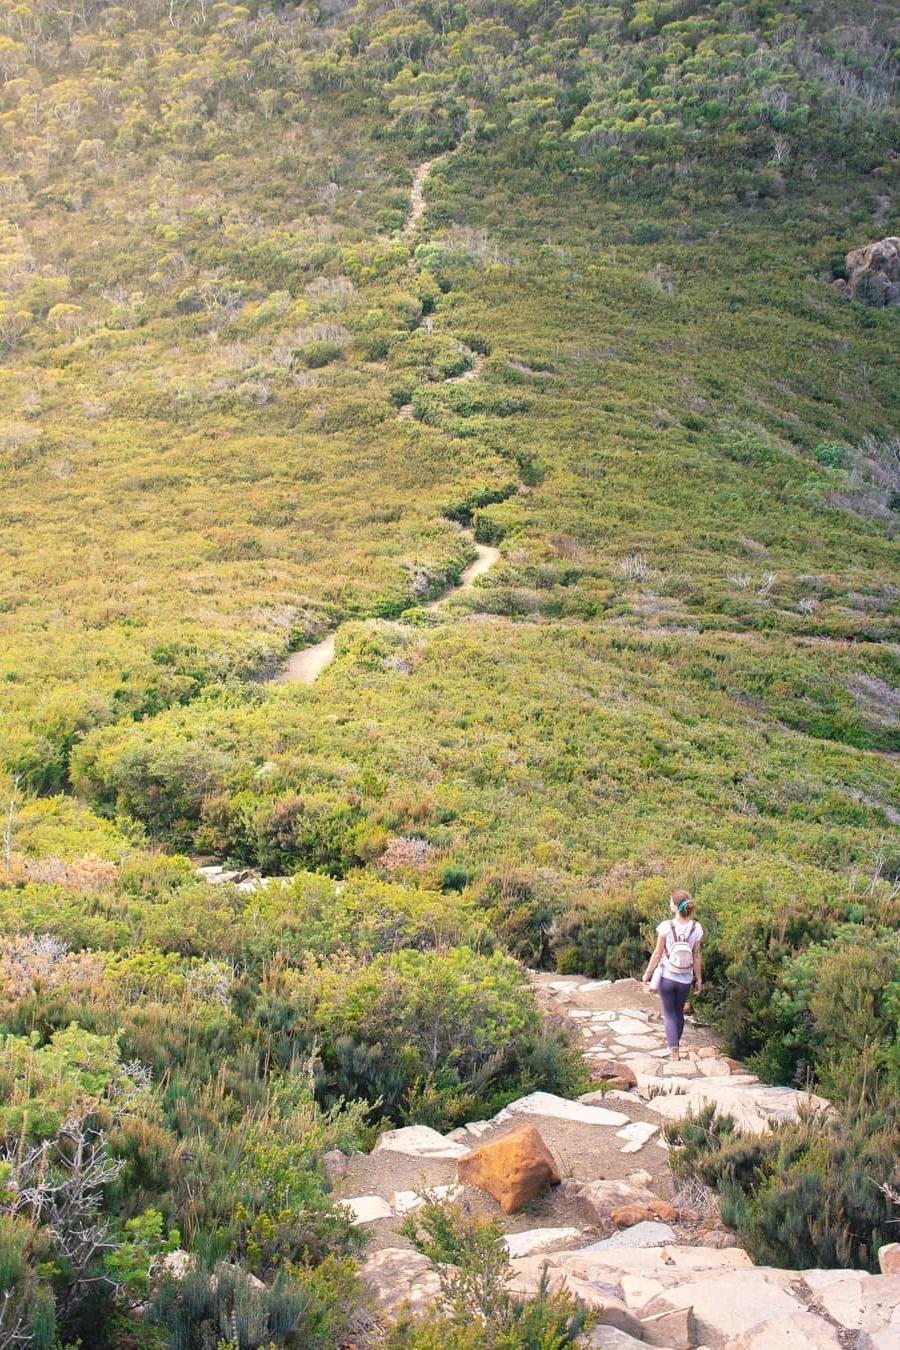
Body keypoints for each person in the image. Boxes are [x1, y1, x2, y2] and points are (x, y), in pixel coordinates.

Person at [641, 889, 703, 1059]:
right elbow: (697, 956)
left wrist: (647, 974)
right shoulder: (696, 928)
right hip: (685, 978)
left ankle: (673, 1049)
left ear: (675, 907)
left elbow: (657, 953)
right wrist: (699, 979)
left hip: (667, 977)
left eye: (671, 902)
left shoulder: (666, 926)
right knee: (678, 1013)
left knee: (668, 1014)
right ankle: (675, 1044)